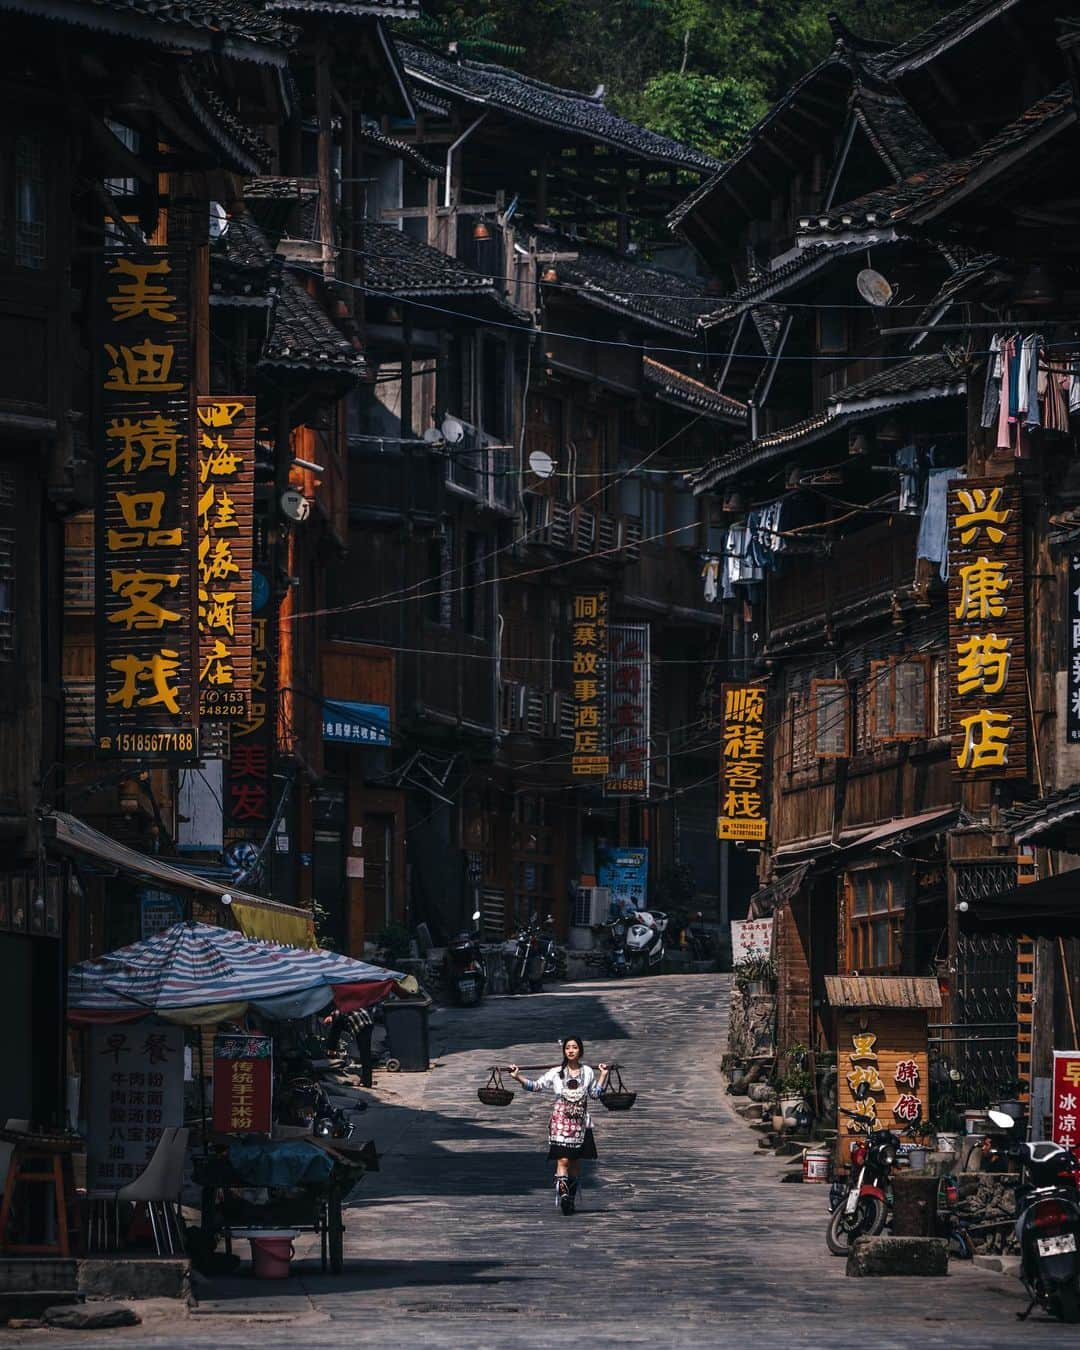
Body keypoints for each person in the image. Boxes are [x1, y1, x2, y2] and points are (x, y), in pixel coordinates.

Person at [509, 1037, 609, 1215]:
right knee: (562, 1160)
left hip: (580, 1123)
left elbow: (594, 1094)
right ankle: (563, 1197)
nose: (571, 1050)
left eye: (574, 1047)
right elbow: (537, 1086)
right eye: (568, 1047)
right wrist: (518, 1077)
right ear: (564, 1051)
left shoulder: (587, 1072)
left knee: (575, 1162)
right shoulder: (556, 1072)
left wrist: (603, 1075)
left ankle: (570, 1198)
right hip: (560, 1123)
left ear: (580, 1051)